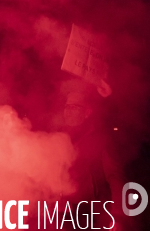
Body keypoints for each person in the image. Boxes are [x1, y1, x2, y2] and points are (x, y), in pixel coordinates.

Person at [59, 89, 128, 230]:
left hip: (91, 213)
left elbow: (115, 178)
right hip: (63, 212)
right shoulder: (59, 138)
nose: (67, 111)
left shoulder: (100, 140)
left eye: (74, 107)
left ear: (87, 113)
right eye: (66, 107)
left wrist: (118, 216)